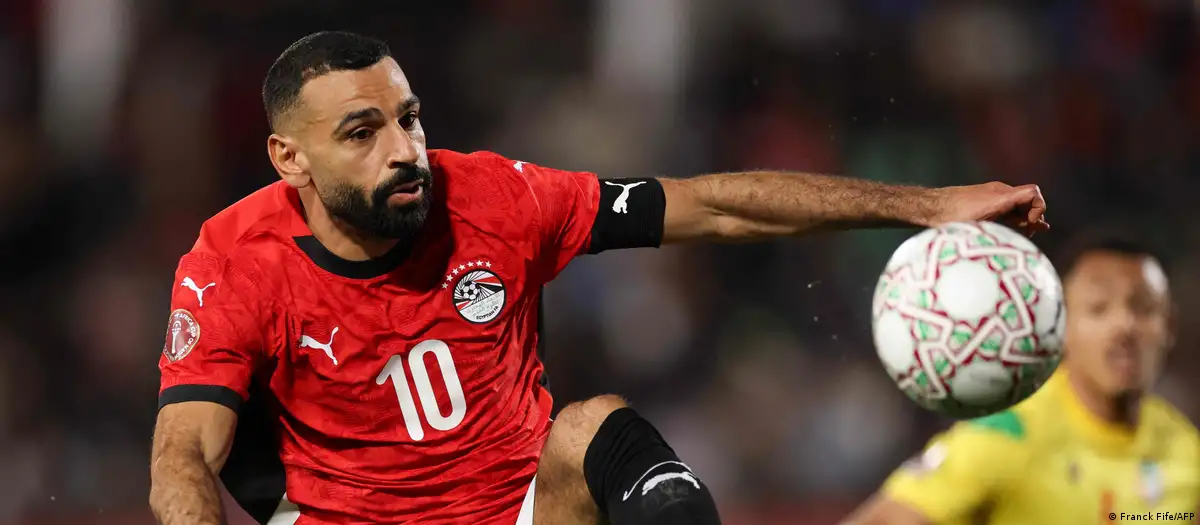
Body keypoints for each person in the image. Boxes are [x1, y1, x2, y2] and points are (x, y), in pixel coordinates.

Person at [148, 31, 1049, 525]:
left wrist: (926, 206)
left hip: (520, 511)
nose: (405, 150)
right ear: (289, 159)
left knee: (594, 427)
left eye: (409, 119)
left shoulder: (494, 198)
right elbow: (182, 455)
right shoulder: (232, 262)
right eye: (362, 132)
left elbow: (715, 207)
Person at [843, 234, 1200, 525]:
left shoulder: (1187, 454)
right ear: (1060, 326)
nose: (1124, 326)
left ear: (1170, 327)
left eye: (1144, 308)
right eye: (1098, 308)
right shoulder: (1008, 435)